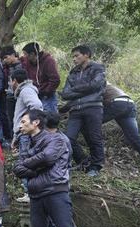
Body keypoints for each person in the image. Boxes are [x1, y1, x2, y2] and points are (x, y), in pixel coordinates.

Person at [13, 109, 90, 227]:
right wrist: (35, 166)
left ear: (36, 123)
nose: (20, 125)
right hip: (36, 194)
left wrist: (30, 165)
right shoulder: (29, 143)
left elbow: (48, 158)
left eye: (24, 121)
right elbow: (18, 169)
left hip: (55, 191)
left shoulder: (57, 139)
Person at [60, 45, 106, 177]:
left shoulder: (98, 68)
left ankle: (96, 166)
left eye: (76, 56)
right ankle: (84, 162)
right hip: (75, 109)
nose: (74, 59)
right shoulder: (73, 72)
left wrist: (76, 90)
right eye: (73, 56)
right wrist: (85, 90)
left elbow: (96, 85)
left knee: (94, 137)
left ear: (86, 55)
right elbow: (65, 94)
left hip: (93, 106)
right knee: (68, 138)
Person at [11, 68, 43, 203]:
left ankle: (30, 192)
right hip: (22, 134)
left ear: (14, 81)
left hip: (26, 134)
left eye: (10, 81)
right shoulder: (24, 91)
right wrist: (16, 136)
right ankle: (29, 192)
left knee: (25, 163)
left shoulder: (25, 91)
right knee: (26, 161)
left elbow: (36, 105)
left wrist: (29, 126)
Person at [103, 83, 140, 170]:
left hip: (117, 103)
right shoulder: (107, 84)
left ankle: (96, 158)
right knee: (134, 136)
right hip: (129, 103)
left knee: (93, 124)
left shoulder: (96, 81)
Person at [20, 42, 60, 113]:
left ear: (32, 54)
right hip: (34, 95)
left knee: (49, 118)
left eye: (25, 54)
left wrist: (46, 91)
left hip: (47, 96)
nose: (24, 56)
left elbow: (55, 79)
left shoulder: (48, 61)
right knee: (36, 120)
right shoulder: (27, 63)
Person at [1, 46, 23, 146]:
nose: (5, 60)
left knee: (23, 117)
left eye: (6, 57)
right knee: (12, 118)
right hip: (10, 94)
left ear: (13, 55)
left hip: (22, 94)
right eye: (3, 58)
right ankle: (14, 140)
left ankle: (23, 141)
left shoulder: (24, 64)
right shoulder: (6, 67)